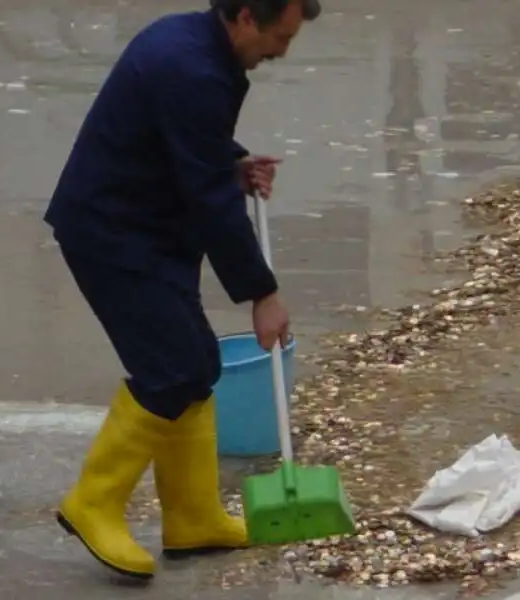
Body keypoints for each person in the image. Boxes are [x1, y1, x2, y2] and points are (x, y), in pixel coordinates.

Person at [43, 0, 321, 580]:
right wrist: (261, 293)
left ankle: (193, 519)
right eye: (278, 36)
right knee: (172, 369)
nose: (281, 50)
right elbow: (209, 199)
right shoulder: (189, 66)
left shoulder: (198, 48)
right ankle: (93, 502)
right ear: (246, 16)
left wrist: (232, 162)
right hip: (112, 232)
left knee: (195, 361)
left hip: (147, 225)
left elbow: (189, 144)